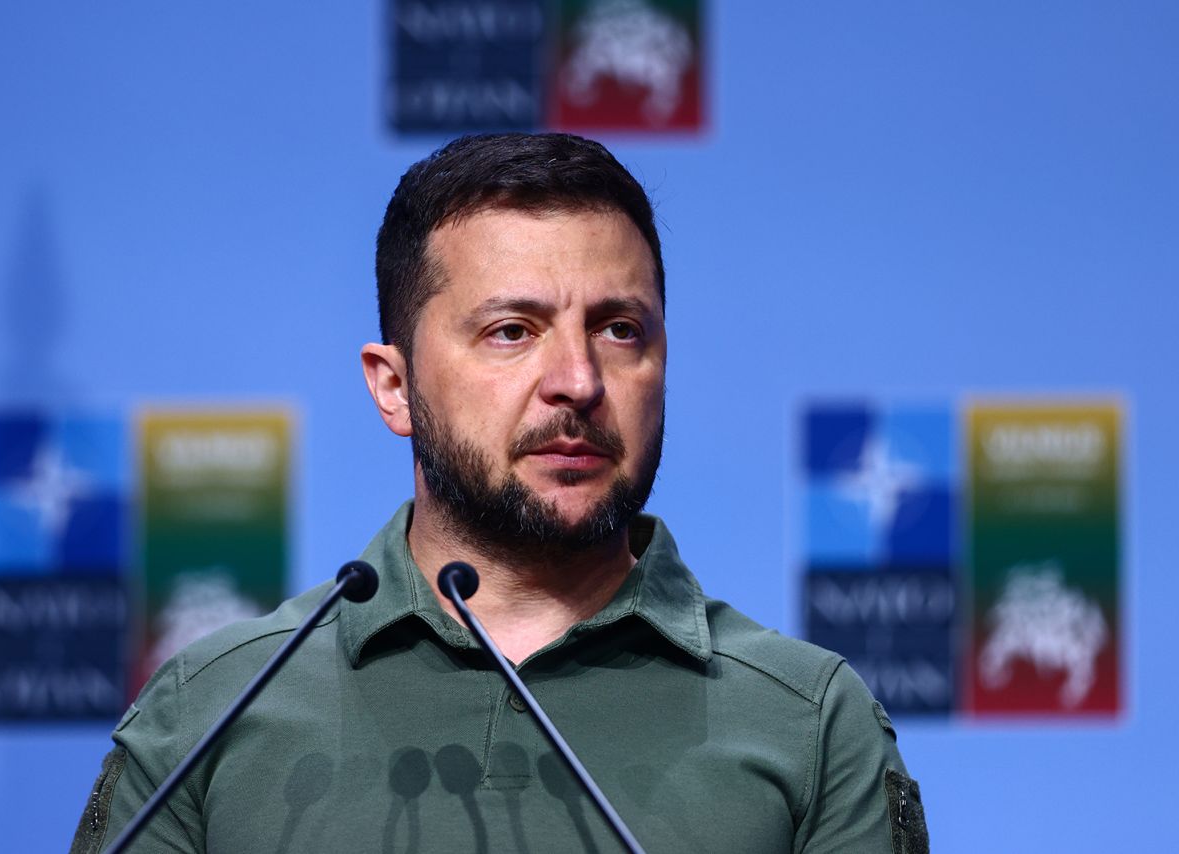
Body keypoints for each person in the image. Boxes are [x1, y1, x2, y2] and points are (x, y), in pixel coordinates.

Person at [71, 133, 928, 853]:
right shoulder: (213, 714)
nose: (577, 380)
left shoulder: (808, 723)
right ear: (394, 387)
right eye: (511, 332)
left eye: (619, 329)